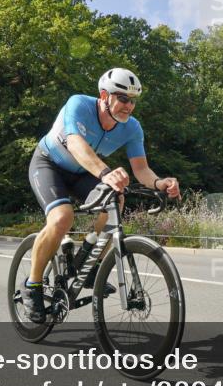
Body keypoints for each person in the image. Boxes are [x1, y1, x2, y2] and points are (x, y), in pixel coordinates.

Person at [25, 68, 180, 323]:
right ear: (105, 96)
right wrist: (106, 172)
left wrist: (160, 183)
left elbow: (141, 169)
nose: (129, 106)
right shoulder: (79, 104)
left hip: (83, 172)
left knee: (115, 201)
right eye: (123, 98)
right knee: (62, 218)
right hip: (49, 164)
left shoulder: (132, 128)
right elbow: (75, 144)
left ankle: (89, 259)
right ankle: (33, 285)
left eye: (133, 101)